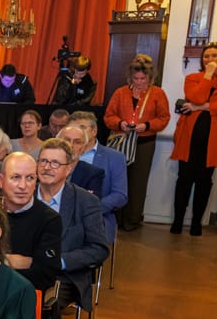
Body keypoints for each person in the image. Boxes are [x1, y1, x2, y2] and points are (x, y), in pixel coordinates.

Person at [170, 42, 217, 236]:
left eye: (214, 56)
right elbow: (196, 97)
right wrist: (208, 76)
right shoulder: (193, 78)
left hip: (213, 141)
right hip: (189, 138)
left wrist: (200, 107)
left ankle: (196, 223)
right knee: (184, 180)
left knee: (204, 181)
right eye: (206, 56)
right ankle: (177, 221)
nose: (210, 59)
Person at [36, 140, 109, 312]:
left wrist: (60, 261)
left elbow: (98, 249)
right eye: (43, 161)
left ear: (68, 169)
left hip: (63, 277)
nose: (47, 167)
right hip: (24, 271)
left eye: (55, 163)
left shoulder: (85, 201)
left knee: (38, 306)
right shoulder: (24, 195)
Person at [104, 54, 171, 231]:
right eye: (136, 78)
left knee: (138, 182)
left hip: (144, 143)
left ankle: (132, 219)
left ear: (150, 78)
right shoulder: (120, 93)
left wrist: (147, 125)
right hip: (122, 142)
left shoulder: (158, 93)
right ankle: (116, 217)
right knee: (118, 180)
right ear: (130, 77)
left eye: (143, 79)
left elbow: (164, 119)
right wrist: (120, 124)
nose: (139, 82)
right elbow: (108, 116)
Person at [0, 152, 62, 292]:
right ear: (1, 181)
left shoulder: (49, 220)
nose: (23, 186)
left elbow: (44, 276)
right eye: (15, 177)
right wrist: (7, 262)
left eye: (30, 178)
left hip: (23, 296)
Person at [66, 111, 128, 244]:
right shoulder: (58, 155)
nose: (78, 132)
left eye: (82, 127)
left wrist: (89, 210)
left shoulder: (114, 158)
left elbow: (119, 195)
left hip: (97, 217)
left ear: (94, 131)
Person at [56, 123, 106, 199]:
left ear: (83, 148)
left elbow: (90, 205)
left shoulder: (93, 174)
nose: (70, 145)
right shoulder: (42, 167)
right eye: (66, 140)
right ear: (56, 143)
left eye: (77, 142)